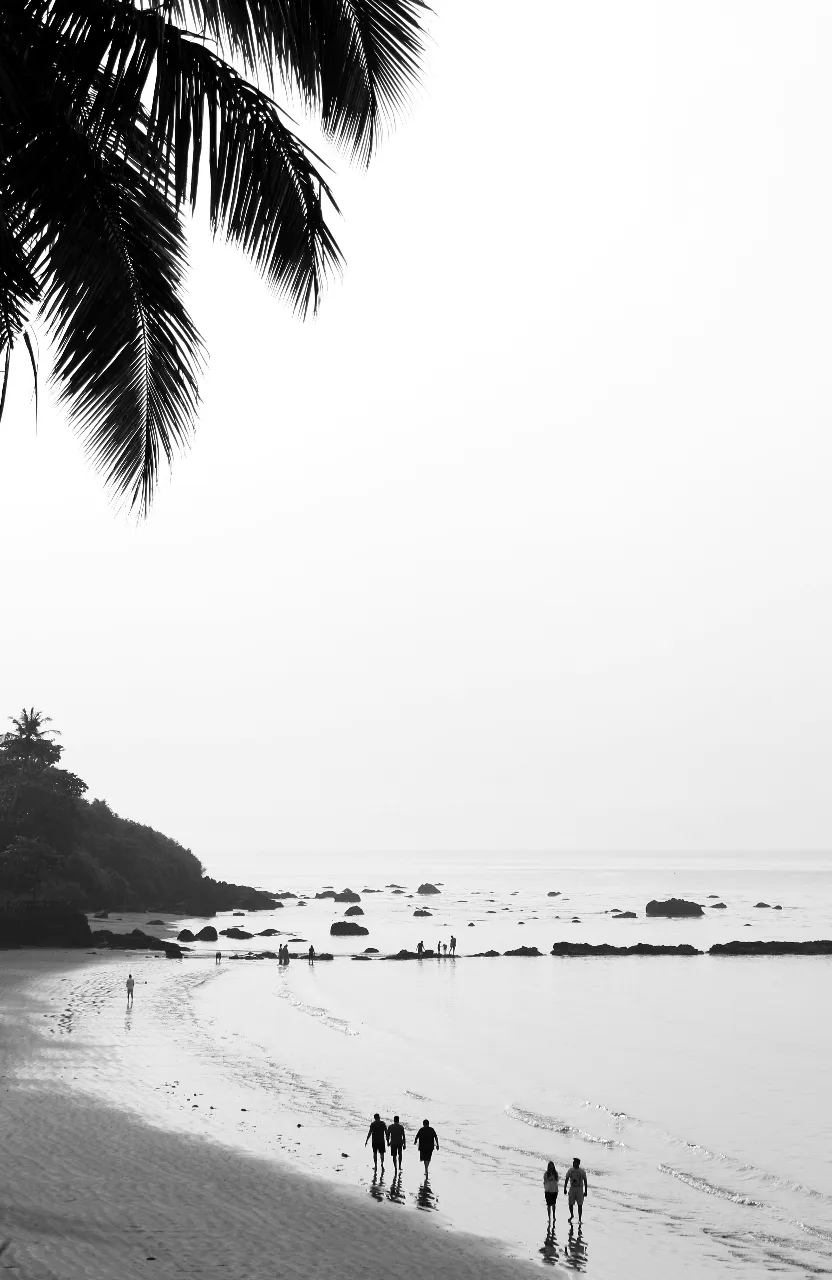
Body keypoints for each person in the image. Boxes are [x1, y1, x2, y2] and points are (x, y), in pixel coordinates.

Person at [563, 1157, 587, 1224]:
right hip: (572, 1188)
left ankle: (579, 1219)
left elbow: (585, 1181)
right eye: (573, 1162)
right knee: (570, 1203)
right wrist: (564, 1188)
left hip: (579, 1189)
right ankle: (572, 1215)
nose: (573, 1163)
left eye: (575, 1162)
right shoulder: (570, 1170)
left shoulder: (582, 1171)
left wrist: (586, 1191)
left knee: (580, 1205)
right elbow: (567, 1179)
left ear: (578, 1164)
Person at [543, 1161, 559, 1232]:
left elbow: (557, 1180)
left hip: (554, 1190)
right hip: (548, 1190)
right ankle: (549, 1217)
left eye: (552, 1165)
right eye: (550, 1166)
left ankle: (554, 1215)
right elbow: (545, 1181)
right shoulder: (546, 1174)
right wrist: (549, 1179)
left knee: (553, 1204)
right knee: (548, 1204)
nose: (551, 1167)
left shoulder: (555, 1174)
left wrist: (554, 1179)